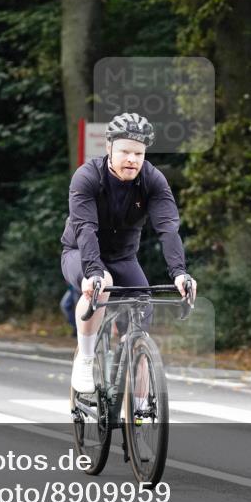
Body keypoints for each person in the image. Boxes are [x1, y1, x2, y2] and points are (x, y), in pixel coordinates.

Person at [60, 112, 196, 395]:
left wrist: (180, 273)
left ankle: (139, 404)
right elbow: (85, 230)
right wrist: (94, 274)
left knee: (141, 311)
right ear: (109, 148)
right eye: (124, 151)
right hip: (80, 253)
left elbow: (168, 230)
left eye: (138, 153)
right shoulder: (87, 177)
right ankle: (85, 358)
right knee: (102, 286)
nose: (132, 159)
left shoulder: (153, 180)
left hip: (124, 257)